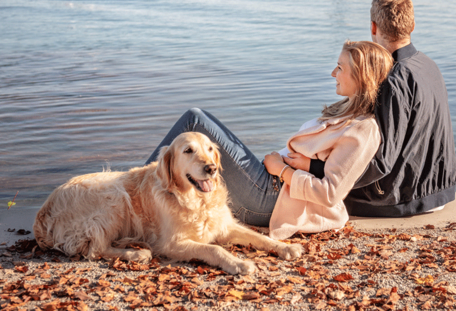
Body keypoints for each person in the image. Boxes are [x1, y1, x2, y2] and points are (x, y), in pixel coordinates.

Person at [146, 41, 393, 240]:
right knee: (198, 125)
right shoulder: (346, 111)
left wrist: (283, 170)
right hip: (270, 185)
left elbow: (330, 192)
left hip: (273, 198)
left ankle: (135, 187)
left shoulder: (364, 131)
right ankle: (140, 191)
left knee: (195, 120)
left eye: (340, 68)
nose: (332, 73)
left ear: (361, 77)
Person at [285, 0, 456, 216]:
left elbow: (382, 161)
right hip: (439, 188)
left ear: (373, 28)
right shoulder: (428, 65)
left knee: (299, 182)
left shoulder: (394, 80)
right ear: (412, 26)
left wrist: (313, 168)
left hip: (405, 197)